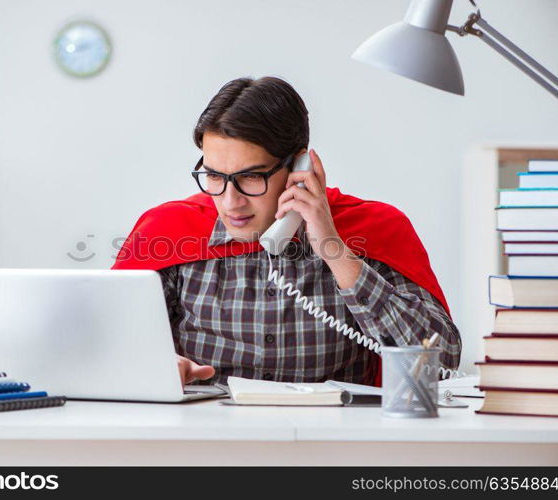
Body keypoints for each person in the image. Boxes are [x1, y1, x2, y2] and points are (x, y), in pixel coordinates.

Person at [112, 76, 462, 387]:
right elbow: (104, 346)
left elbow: (442, 361)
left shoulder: (376, 229)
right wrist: (151, 367)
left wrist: (335, 251)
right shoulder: (168, 230)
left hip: (334, 446)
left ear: (299, 167)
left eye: (251, 177)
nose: (230, 201)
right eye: (215, 176)